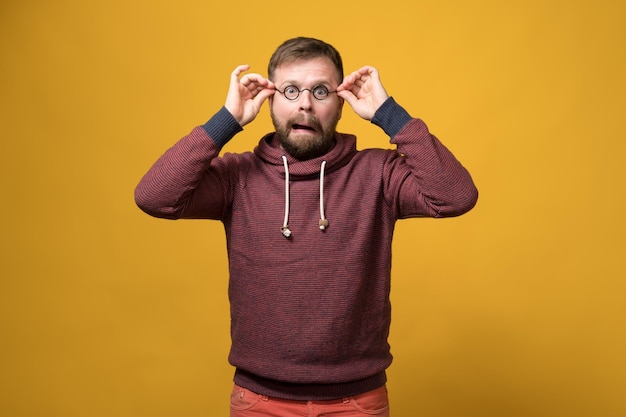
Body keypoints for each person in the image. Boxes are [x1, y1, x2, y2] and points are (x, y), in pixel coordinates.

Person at [135, 37, 478, 416]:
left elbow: (456, 197)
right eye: (291, 90)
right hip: (259, 402)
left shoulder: (378, 173)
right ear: (269, 100)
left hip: (356, 403)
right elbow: (154, 197)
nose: (305, 103)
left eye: (320, 91)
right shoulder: (236, 176)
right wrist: (225, 121)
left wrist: (389, 113)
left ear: (342, 103)